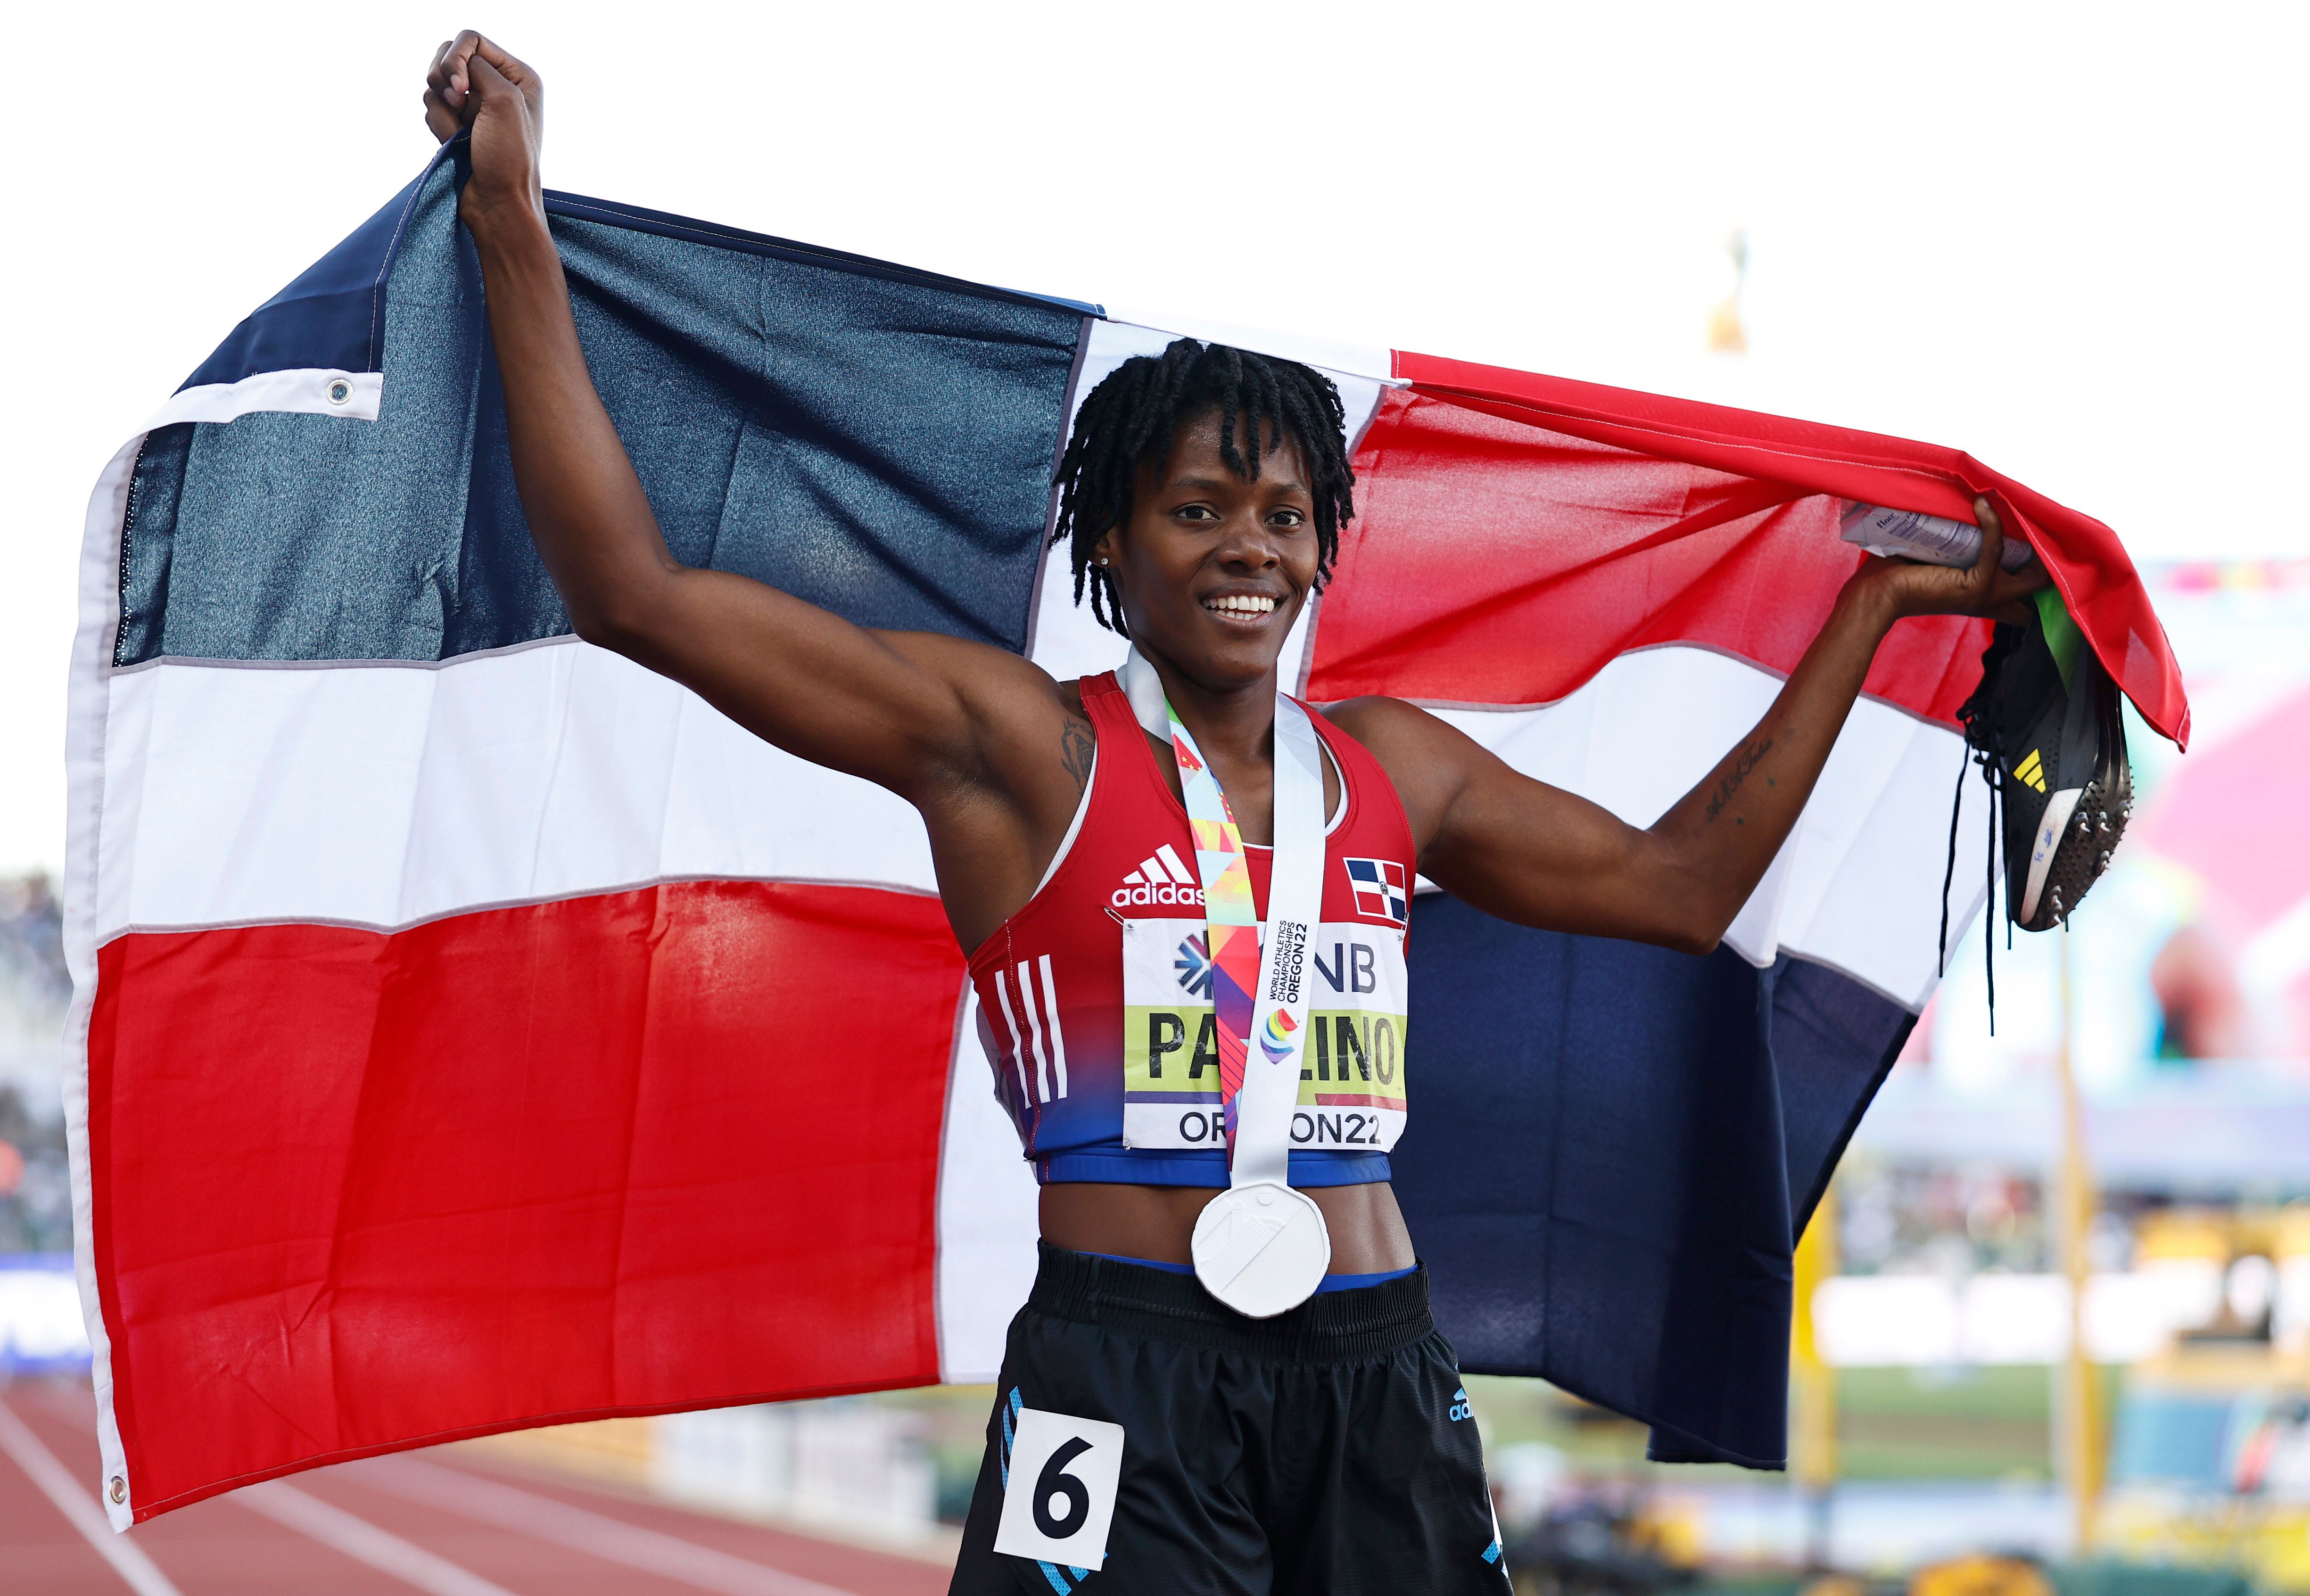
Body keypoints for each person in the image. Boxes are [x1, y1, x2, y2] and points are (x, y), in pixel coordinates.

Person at [421, 32, 2046, 1594]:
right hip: (1124, 1360)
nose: (1246, 549)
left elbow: (1683, 888)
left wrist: (1875, 611)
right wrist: (512, 224)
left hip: (1377, 1361)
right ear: (1109, 547)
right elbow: (635, 592)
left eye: (1282, 515)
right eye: (1195, 510)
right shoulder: (1017, 751)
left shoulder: (1399, 770)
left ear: (1325, 546)